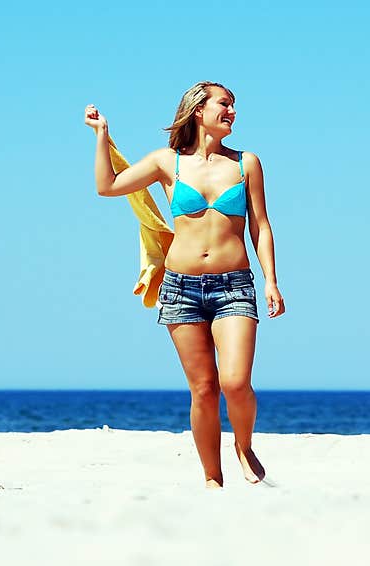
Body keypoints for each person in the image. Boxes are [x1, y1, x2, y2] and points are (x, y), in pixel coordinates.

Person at [84, 81, 285, 488]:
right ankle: (213, 477)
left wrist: (271, 282)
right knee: (204, 389)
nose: (232, 111)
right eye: (224, 104)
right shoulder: (167, 162)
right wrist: (102, 135)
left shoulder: (246, 163)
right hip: (182, 290)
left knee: (235, 382)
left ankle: (243, 445)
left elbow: (261, 227)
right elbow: (107, 187)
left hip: (234, 287)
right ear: (198, 110)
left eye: (233, 106)